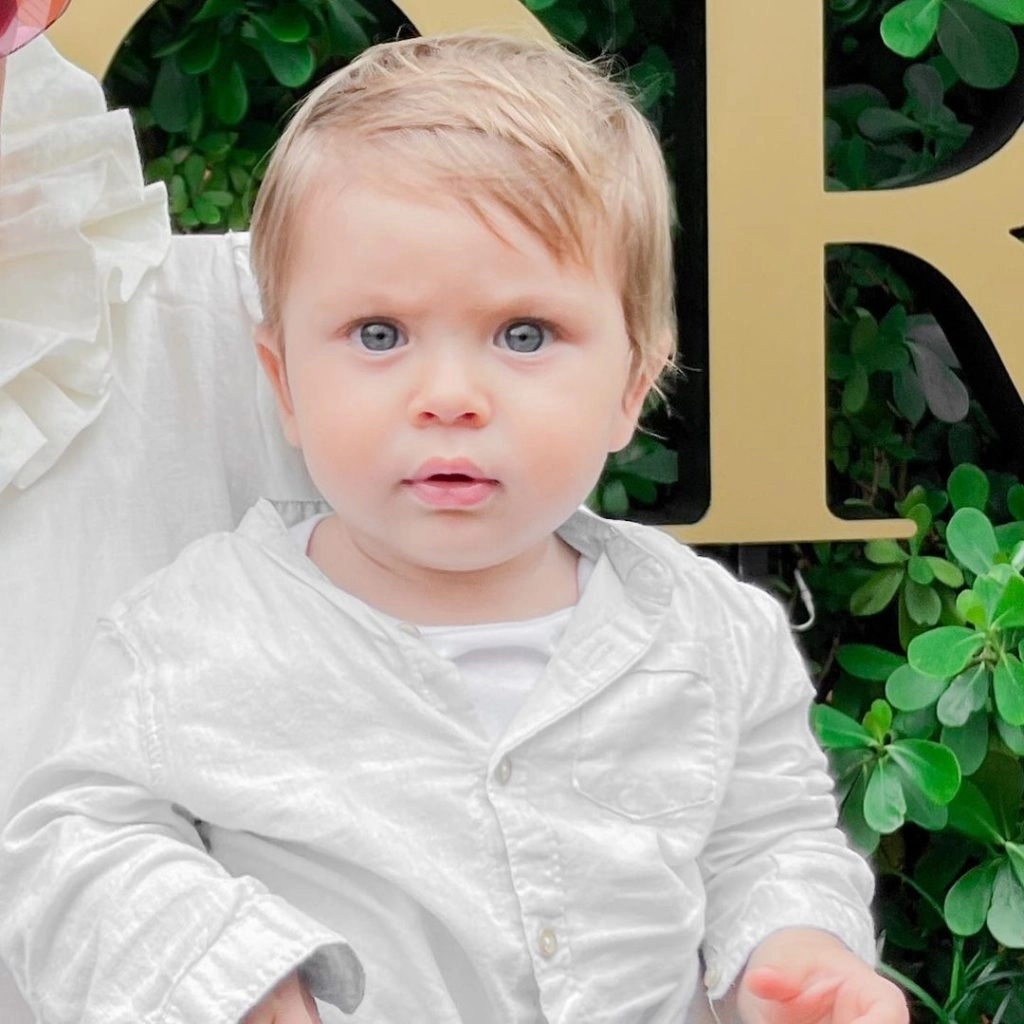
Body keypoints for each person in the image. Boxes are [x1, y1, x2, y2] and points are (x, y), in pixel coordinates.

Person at [0, 27, 908, 1024]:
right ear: (284, 384)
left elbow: (769, 839)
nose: (448, 396)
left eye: (524, 334)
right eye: (378, 334)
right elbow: (74, 843)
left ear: (631, 385)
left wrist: (794, 953)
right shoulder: (199, 627)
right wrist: (229, 976)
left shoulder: (708, 631)